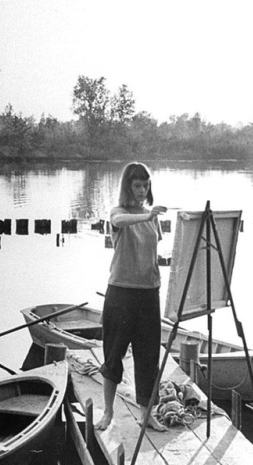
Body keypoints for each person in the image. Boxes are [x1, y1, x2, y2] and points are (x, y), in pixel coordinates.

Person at [95, 162, 167, 432]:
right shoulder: (119, 213)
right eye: (137, 185)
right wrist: (146, 217)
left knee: (148, 357)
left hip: (149, 294)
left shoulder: (152, 217)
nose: (142, 190)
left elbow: (153, 252)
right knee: (113, 355)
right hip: (121, 293)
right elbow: (118, 222)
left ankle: (147, 414)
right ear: (128, 186)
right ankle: (109, 413)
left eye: (146, 185)